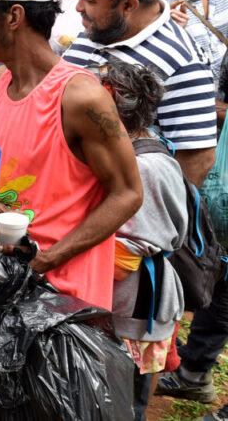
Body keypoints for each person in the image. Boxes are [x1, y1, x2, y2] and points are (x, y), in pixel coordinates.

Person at [0, 0, 143, 309]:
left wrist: (47, 259)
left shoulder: (80, 97)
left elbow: (128, 194)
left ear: (14, 17)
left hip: (62, 305)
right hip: (4, 288)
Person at [61, 0, 218, 187]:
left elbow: (196, 161)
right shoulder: (101, 28)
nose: (79, 7)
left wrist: (136, 205)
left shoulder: (182, 63)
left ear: (128, 6)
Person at [93, 60, 187, 421]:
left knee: (125, 400)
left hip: (134, 304)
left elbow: (124, 259)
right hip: (132, 302)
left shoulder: (143, 167)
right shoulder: (144, 147)